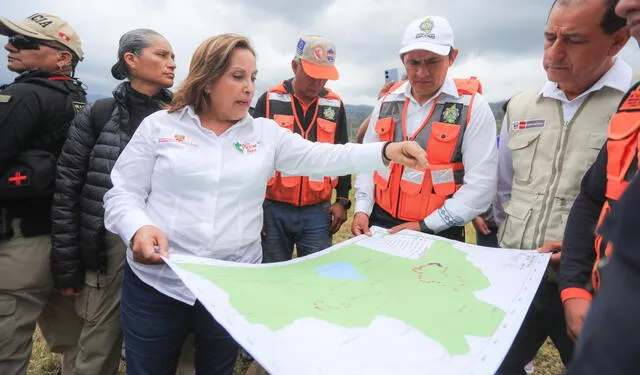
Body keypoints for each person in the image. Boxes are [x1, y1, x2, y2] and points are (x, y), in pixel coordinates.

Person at [102, 33, 426, 375]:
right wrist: (138, 227)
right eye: (237, 76)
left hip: (232, 284)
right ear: (208, 78)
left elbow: (326, 155)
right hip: (160, 283)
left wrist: (386, 151)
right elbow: (122, 193)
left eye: (252, 78)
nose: (248, 88)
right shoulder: (160, 127)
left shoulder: (264, 135)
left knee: (218, 367)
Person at [493, 0, 633, 373]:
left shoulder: (629, 109)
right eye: (549, 37)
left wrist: (583, 258)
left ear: (617, 40)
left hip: (590, 288)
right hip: (517, 275)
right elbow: (504, 190)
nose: (554, 53)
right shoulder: (521, 107)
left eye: (573, 40)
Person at [50, 28, 175, 375]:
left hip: (167, 240)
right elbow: (68, 187)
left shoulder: (183, 115)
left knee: (167, 338)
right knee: (98, 340)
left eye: (173, 57)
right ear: (131, 60)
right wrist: (67, 260)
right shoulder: (99, 114)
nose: (172, 63)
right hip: (109, 244)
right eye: (162, 55)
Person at [352, 16, 498, 241]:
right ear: (403, 60)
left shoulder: (471, 107)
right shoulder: (387, 102)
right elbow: (367, 161)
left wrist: (426, 226)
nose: (422, 73)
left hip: (438, 229)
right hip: (379, 222)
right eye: (414, 63)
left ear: (452, 58)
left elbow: (482, 185)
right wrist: (362, 209)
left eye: (432, 62)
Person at [0, 13, 86, 375]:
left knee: (7, 343)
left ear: (62, 57)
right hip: (71, 240)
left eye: (24, 42)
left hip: (23, 241)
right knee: (78, 343)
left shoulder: (19, 95)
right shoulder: (81, 101)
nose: (10, 46)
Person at [560, 0, 640, 369]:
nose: (623, 5)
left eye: (573, 39)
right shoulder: (635, 102)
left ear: (617, 42)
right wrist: (575, 285)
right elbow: (593, 197)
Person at [252, 35, 350, 263]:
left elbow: (343, 154)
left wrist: (342, 200)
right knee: (272, 274)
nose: (319, 84)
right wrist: (253, 211)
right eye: (313, 76)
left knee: (317, 274)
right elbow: (252, 157)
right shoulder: (269, 100)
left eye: (324, 78)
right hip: (273, 208)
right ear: (295, 66)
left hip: (317, 211)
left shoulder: (334, 105)